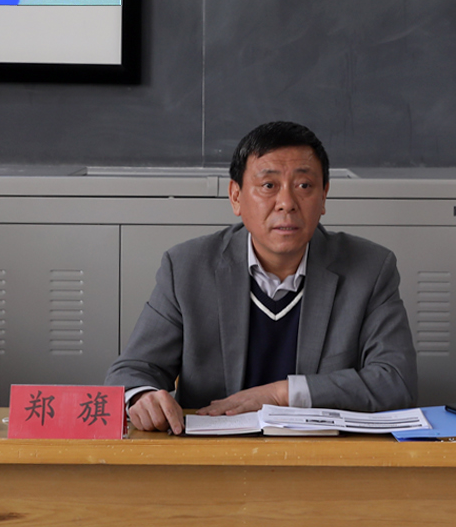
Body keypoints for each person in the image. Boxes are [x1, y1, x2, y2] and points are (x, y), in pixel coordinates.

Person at [106, 120, 418, 434]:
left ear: (324, 196)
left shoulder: (370, 269)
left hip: (321, 454)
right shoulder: (187, 267)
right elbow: (133, 371)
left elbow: (396, 382)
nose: (287, 203)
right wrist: (143, 398)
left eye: (304, 186)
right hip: (213, 454)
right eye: (269, 186)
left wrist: (281, 394)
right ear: (236, 196)